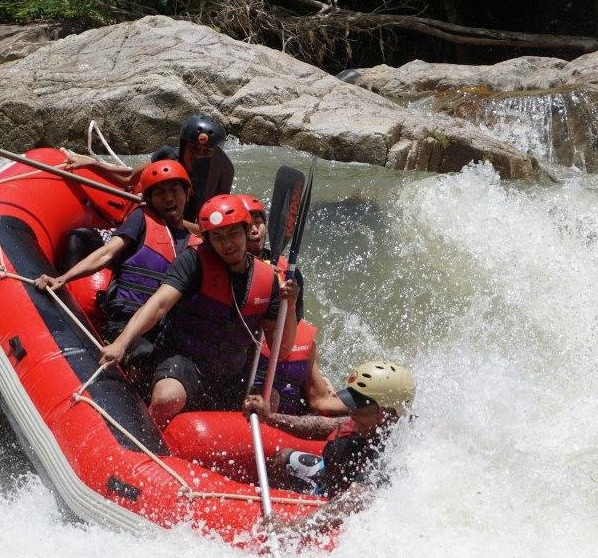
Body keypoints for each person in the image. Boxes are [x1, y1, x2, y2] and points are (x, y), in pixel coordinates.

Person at [100, 194, 298, 427]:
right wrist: (121, 343)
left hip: (231, 374)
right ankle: (145, 433)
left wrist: (291, 306)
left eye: (233, 234)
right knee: (167, 398)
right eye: (218, 237)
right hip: (185, 362)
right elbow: (159, 304)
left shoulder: (269, 280)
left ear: (246, 231)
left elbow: (282, 350)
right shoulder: (193, 261)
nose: (227, 244)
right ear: (208, 240)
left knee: (270, 400)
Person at [32, 160, 197, 370]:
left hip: (163, 334)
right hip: (123, 324)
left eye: (174, 190)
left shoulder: (196, 245)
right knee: (144, 354)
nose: (169, 198)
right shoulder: (142, 219)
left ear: (187, 193)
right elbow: (106, 253)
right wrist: (62, 279)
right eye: (160, 193)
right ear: (149, 199)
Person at [245, 360, 415, 501]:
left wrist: (290, 527)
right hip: (329, 479)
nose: (351, 411)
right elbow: (320, 426)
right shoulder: (373, 422)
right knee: (283, 458)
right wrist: (269, 417)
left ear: (382, 412)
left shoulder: (389, 454)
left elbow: (352, 501)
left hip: (350, 497)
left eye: (357, 405)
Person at [151, 114, 233, 223]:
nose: (198, 156)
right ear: (183, 148)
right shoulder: (168, 157)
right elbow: (134, 175)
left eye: (206, 152)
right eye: (193, 149)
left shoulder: (218, 179)